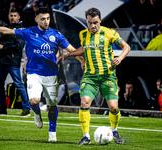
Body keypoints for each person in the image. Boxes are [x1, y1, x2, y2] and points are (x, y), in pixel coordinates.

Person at [0, 7, 84, 142]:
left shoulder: (56, 34)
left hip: (51, 75)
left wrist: (81, 59)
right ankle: (37, 113)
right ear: (36, 20)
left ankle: (52, 132)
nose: (46, 22)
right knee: (35, 101)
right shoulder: (29, 32)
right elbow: (7, 31)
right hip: (34, 74)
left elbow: (71, 49)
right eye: (43, 19)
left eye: (48, 18)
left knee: (52, 105)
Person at [59, 7, 131, 145]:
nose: (93, 26)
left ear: (100, 20)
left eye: (95, 22)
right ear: (87, 22)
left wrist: (120, 58)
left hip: (108, 76)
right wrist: (70, 54)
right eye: (90, 23)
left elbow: (126, 47)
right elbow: (84, 48)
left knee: (114, 107)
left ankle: (114, 130)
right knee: (84, 102)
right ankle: (86, 137)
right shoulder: (83, 34)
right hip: (90, 76)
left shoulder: (110, 33)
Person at [0, 8, 30, 116]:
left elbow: (18, 46)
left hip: (13, 62)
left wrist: (3, 47)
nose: (12, 18)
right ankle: (2, 108)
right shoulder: (6, 28)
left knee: (19, 84)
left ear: (19, 17)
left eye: (15, 16)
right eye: (11, 15)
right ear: (8, 17)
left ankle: (26, 109)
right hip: (2, 61)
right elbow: (0, 43)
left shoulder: (22, 30)